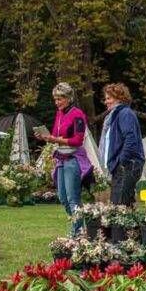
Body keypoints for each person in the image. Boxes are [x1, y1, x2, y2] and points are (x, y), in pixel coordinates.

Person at [36, 82, 92, 235]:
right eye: (55, 99)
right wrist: (45, 137)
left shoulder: (78, 114)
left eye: (60, 99)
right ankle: (77, 225)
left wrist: (56, 140)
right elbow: (55, 135)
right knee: (62, 198)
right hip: (60, 158)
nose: (57, 103)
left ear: (68, 98)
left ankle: (77, 231)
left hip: (73, 158)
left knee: (73, 198)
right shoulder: (59, 114)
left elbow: (78, 140)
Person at [99, 83, 145, 207]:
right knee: (124, 204)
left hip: (127, 164)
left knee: (119, 205)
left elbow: (131, 139)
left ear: (119, 98)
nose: (106, 102)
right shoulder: (114, 116)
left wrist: (121, 161)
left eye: (109, 98)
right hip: (120, 165)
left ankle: (124, 227)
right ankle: (132, 226)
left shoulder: (125, 113)